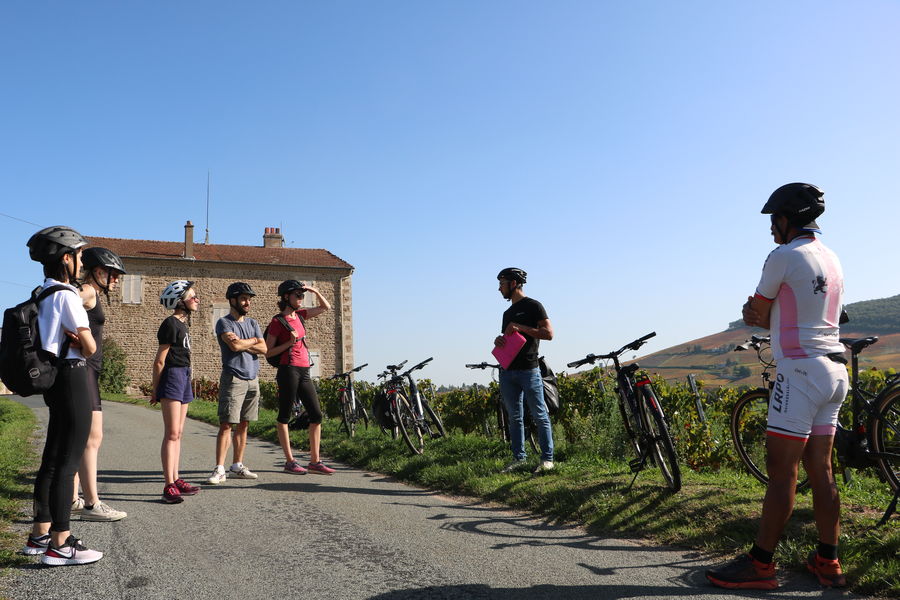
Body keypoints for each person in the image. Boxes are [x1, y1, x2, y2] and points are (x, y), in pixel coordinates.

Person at [706, 183, 849, 590]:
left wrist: (759, 313)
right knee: (822, 469)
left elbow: (757, 311)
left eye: (774, 219)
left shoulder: (782, 256)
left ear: (787, 220)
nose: (771, 227)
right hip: (835, 371)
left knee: (782, 472)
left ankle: (761, 564)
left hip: (800, 371)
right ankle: (828, 561)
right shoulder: (832, 257)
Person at [22, 226, 103, 566]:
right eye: (80, 256)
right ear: (66, 258)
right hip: (73, 377)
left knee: (52, 460)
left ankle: (39, 535)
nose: (82, 263)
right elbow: (90, 346)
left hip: (54, 378)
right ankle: (61, 543)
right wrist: (83, 341)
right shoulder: (68, 295)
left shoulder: (42, 293)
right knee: (67, 463)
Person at [69, 247, 128, 522]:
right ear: (97, 271)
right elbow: (64, 302)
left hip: (87, 370)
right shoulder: (87, 291)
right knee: (92, 438)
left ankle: (72, 499)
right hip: (85, 370)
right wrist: (75, 338)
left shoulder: (90, 292)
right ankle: (92, 504)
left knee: (81, 438)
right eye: (112, 274)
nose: (115, 280)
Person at [264, 280, 335, 475]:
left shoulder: (301, 315)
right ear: (286, 297)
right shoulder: (278, 322)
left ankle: (315, 461)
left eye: (302, 295)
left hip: (304, 370)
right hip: (288, 370)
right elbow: (268, 352)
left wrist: (314, 290)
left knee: (316, 415)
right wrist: (289, 342)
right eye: (298, 295)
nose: (301, 298)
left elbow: (325, 307)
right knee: (284, 416)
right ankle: (290, 461)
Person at [494, 267, 555, 474]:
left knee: (539, 415)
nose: (499, 288)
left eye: (502, 284)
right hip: (507, 371)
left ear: (513, 283)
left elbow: (549, 334)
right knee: (514, 418)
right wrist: (500, 341)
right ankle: (519, 459)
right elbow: (510, 339)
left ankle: (547, 459)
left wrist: (521, 327)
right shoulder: (507, 314)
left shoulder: (534, 306)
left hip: (529, 370)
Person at [207, 282, 267, 484]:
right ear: (232, 300)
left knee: (244, 424)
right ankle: (219, 469)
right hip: (234, 378)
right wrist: (253, 341)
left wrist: (244, 342)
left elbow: (265, 349)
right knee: (226, 424)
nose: (247, 302)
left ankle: (237, 466)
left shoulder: (253, 323)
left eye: (249, 299)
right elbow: (234, 347)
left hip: (253, 379)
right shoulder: (224, 323)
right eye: (243, 299)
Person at [151, 280, 202, 503]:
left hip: (184, 376)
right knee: (171, 433)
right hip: (172, 377)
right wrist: (156, 389)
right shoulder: (170, 324)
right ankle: (168, 485)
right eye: (192, 296)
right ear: (179, 301)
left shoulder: (183, 324)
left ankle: (176, 478)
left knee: (179, 433)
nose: (196, 299)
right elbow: (159, 361)